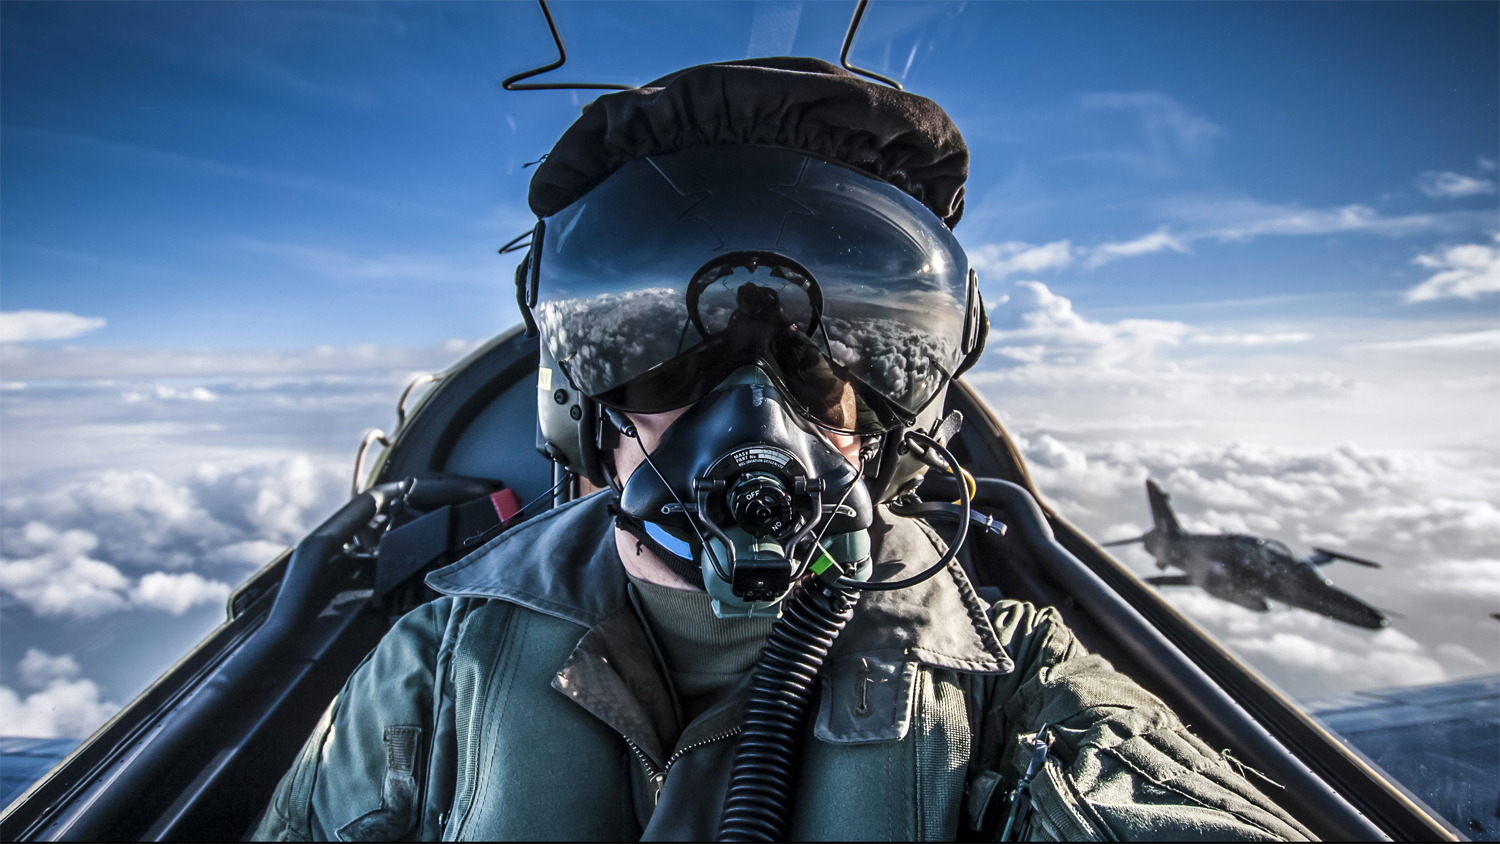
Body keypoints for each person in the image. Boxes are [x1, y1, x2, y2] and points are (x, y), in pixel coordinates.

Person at [253, 58, 1311, 842]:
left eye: (818, 373)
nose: (754, 419)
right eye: (669, 364)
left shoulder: (1014, 677)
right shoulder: (436, 663)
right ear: (587, 400)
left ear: (891, 421)